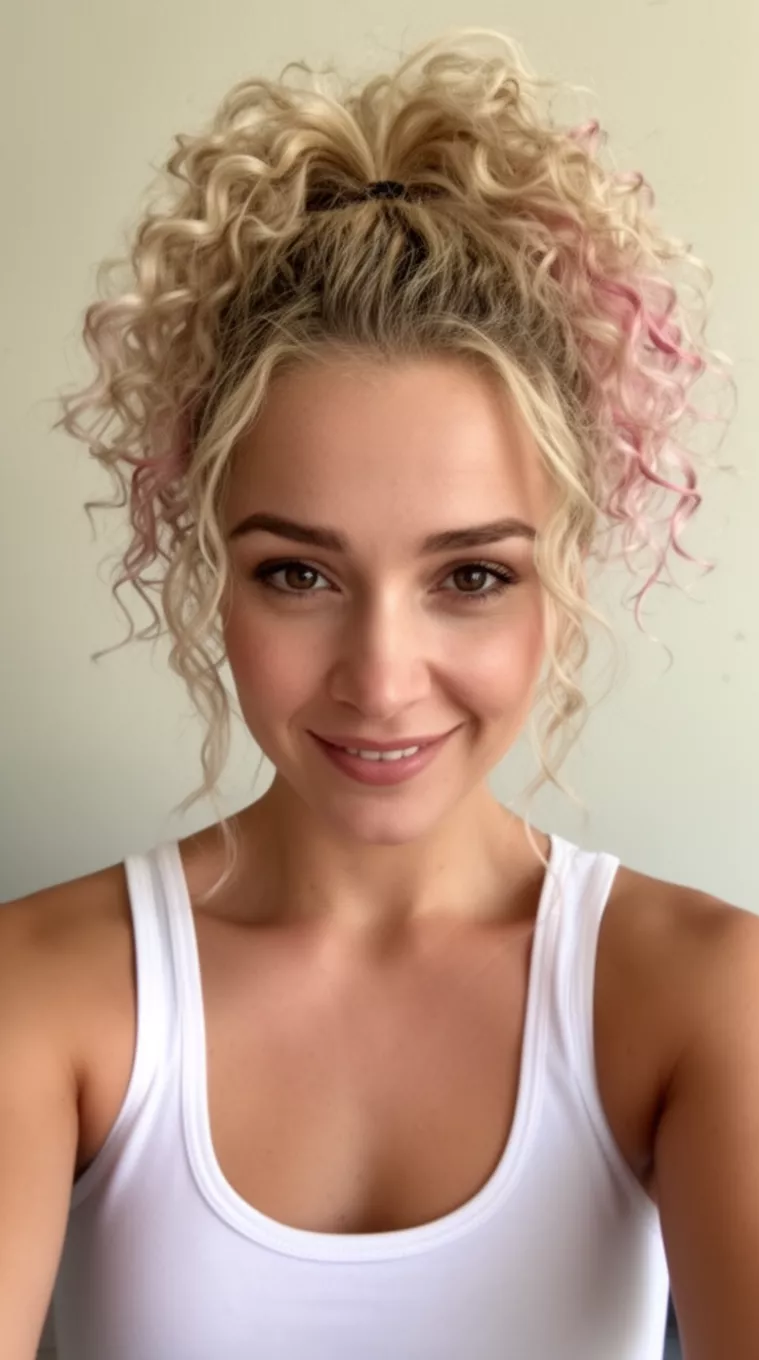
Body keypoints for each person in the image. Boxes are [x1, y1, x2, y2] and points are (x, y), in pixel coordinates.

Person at [1, 26, 756, 1360]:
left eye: (468, 577)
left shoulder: (697, 996)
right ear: (208, 565)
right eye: (298, 573)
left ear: (561, 573)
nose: (381, 680)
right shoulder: (45, 993)